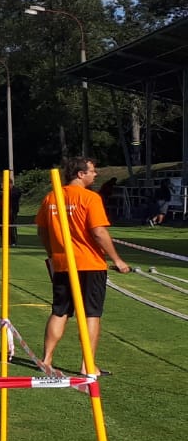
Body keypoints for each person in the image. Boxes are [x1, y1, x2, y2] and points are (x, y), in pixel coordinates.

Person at [35, 157, 131, 375]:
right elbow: (99, 232)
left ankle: (46, 360)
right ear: (80, 174)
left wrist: (53, 254)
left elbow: (42, 231)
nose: (95, 174)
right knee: (91, 314)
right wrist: (117, 260)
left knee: (60, 311)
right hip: (89, 263)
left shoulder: (51, 197)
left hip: (63, 264)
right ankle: (87, 365)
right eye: (92, 171)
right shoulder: (90, 198)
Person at [0, 177, 23, 246]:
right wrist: (1, 191)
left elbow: (15, 195)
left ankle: (13, 241)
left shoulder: (16, 190)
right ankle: (4, 241)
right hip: (1, 210)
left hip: (11, 210)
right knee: (1, 225)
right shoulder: (0, 190)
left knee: (11, 225)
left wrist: (5, 192)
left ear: (10, 184)